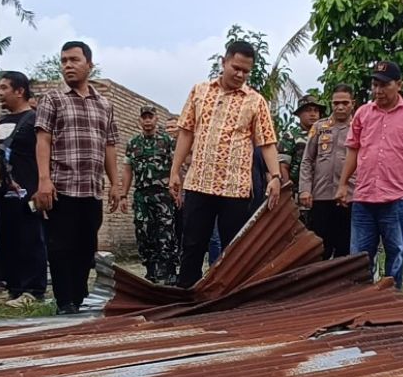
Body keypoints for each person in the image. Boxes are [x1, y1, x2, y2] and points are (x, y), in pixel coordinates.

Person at [170, 40, 281, 288]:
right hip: (199, 182)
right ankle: (185, 296)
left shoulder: (256, 101)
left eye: (246, 71)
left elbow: (267, 142)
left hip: (236, 188)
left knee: (233, 250)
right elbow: (186, 132)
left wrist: (275, 177)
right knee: (192, 244)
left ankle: (226, 299)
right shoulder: (199, 91)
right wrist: (175, 171)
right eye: (236, 67)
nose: (240, 74)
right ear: (224, 62)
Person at [34, 41, 123, 315]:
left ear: (89, 65)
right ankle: (64, 302)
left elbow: (109, 145)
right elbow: (43, 140)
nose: (68, 66)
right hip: (62, 187)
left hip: (92, 189)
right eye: (63, 61)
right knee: (61, 248)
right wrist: (44, 179)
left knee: (86, 248)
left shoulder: (104, 105)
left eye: (74, 60)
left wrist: (115, 184)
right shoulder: (53, 99)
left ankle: (80, 295)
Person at [336, 61, 403, 289]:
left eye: (384, 85)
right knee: (359, 257)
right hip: (364, 198)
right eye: (374, 85)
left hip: (396, 198)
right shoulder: (362, 113)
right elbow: (353, 150)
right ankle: (361, 302)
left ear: (399, 84)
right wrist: (342, 184)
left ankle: (392, 300)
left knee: (396, 253)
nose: (378, 91)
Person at [0, 70, 47, 307]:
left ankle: (33, 290)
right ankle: (14, 288)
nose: (0, 93)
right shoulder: (1, 122)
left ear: (20, 91)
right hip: (4, 194)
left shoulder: (35, 120)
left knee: (31, 240)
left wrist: (42, 185)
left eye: (4, 88)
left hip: (29, 193)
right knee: (8, 240)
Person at [122, 105, 178, 283]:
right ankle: (151, 271)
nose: (147, 121)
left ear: (155, 119)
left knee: (166, 232)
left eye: (150, 117)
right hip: (141, 195)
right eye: (144, 117)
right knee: (144, 232)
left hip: (163, 194)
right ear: (140, 120)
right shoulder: (133, 144)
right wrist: (123, 194)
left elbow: (176, 169)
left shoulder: (167, 141)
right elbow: (128, 169)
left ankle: (169, 271)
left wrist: (177, 191)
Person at [301, 84, 355, 259]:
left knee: (345, 247)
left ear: (352, 104)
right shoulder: (319, 127)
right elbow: (307, 160)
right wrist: (305, 189)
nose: (340, 107)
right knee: (319, 248)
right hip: (321, 196)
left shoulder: (359, 127)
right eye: (336, 103)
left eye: (345, 103)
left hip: (349, 198)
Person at [280, 95, 325, 190]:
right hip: (297, 190)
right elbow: (283, 166)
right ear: (299, 114)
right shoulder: (290, 135)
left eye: (316, 110)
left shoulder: (325, 135)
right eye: (308, 110)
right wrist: (286, 190)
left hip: (321, 190)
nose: (313, 114)